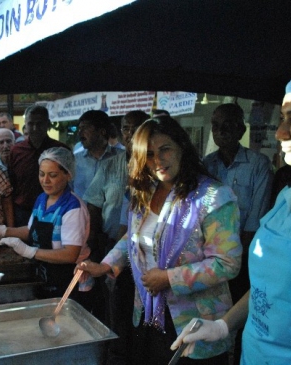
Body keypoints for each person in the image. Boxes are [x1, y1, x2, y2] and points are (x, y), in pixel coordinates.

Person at [172, 67, 291, 365]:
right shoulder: (288, 196)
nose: (281, 133)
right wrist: (223, 325)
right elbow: (267, 287)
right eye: (282, 119)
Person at [78, 115, 242, 365]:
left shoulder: (214, 196)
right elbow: (133, 239)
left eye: (165, 149)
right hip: (147, 313)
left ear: (182, 148)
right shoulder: (146, 191)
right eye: (150, 154)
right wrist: (106, 265)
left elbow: (227, 263)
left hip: (196, 321)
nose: (157, 161)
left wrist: (169, 278)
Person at [0, 147, 93, 305]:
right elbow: (31, 231)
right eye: (42, 174)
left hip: (69, 280)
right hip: (46, 274)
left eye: (52, 175)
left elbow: (70, 255)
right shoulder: (42, 199)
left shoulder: (73, 208)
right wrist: (4, 231)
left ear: (68, 175)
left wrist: (29, 251)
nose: (45, 180)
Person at [83, 109, 149, 364]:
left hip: (153, 258)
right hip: (116, 247)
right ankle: (120, 354)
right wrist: (99, 248)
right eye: (125, 128)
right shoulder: (116, 167)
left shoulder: (158, 170)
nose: (130, 134)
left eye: (137, 128)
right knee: (119, 308)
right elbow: (100, 207)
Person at [203, 103, 273, 303]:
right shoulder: (206, 164)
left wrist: (236, 260)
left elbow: (254, 220)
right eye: (215, 126)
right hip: (208, 254)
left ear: (241, 130)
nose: (220, 131)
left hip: (241, 254)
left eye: (228, 125)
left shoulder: (258, 164)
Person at [9, 105, 69, 227]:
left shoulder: (61, 150)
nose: (35, 128)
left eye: (39, 124)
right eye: (31, 124)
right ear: (25, 125)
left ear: (48, 124)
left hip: (54, 211)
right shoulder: (16, 151)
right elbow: (11, 184)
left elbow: (68, 181)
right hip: (23, 213)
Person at [73, 110, 124, 198]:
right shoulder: (74, 161)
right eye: (79, 128)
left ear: (102, 132)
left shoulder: (122, 159)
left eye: (85, 128)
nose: (80, 133)